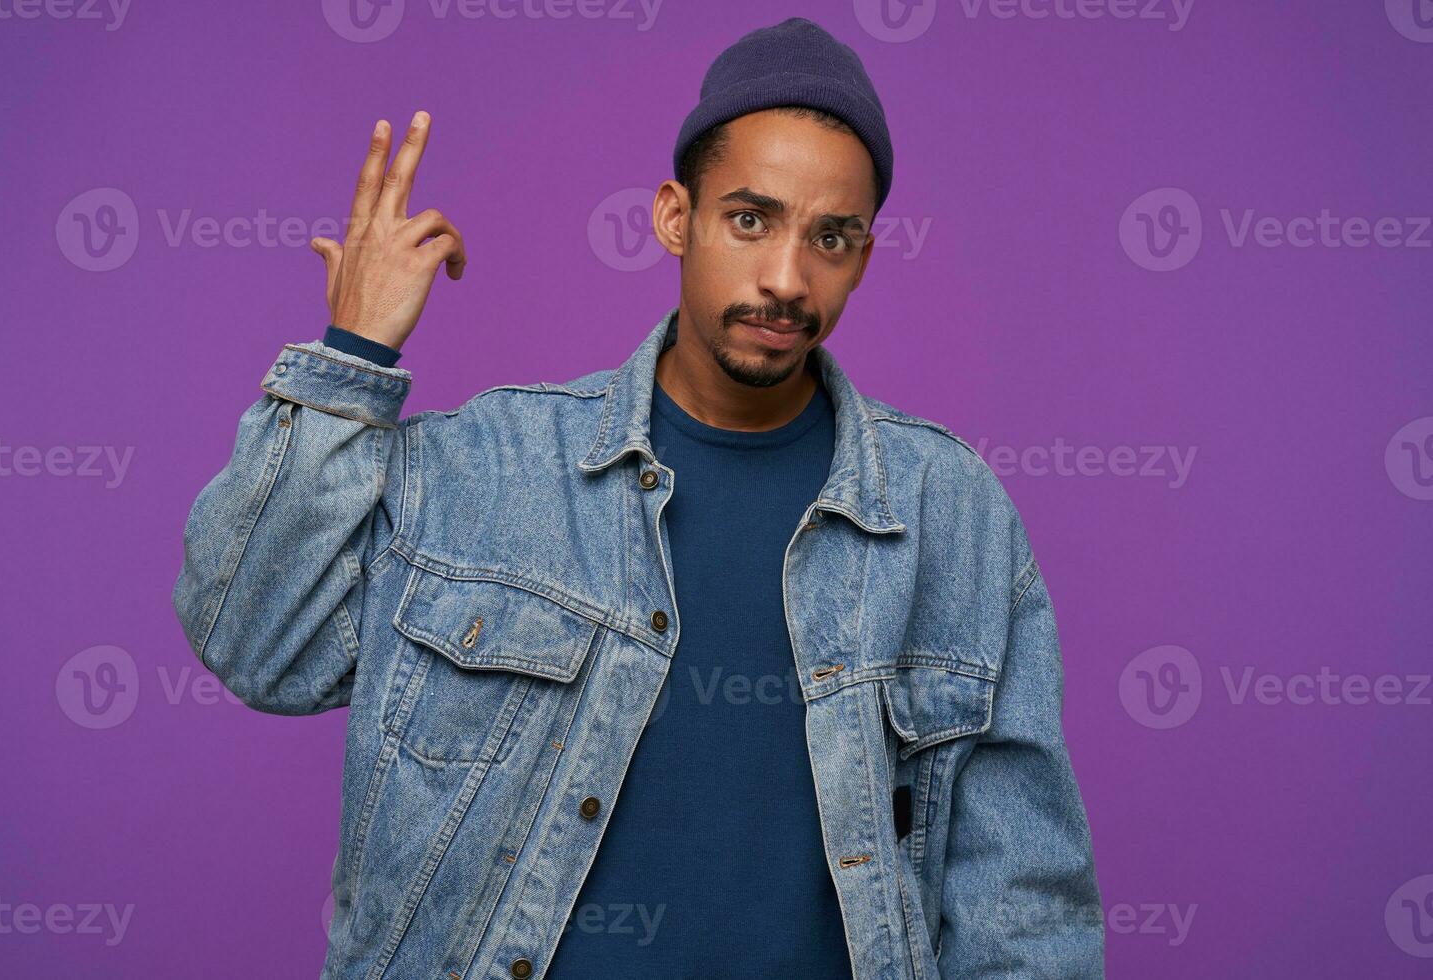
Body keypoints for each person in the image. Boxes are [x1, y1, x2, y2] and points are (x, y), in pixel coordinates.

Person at [173, 16, 1104, 979]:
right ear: (674, 217)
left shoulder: (949, 514)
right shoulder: (481, 470)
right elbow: (258, 644)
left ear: (864, 255)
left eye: (831, 237)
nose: (787, 278)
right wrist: (353, 356)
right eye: (751, 219)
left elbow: (1021, 907)